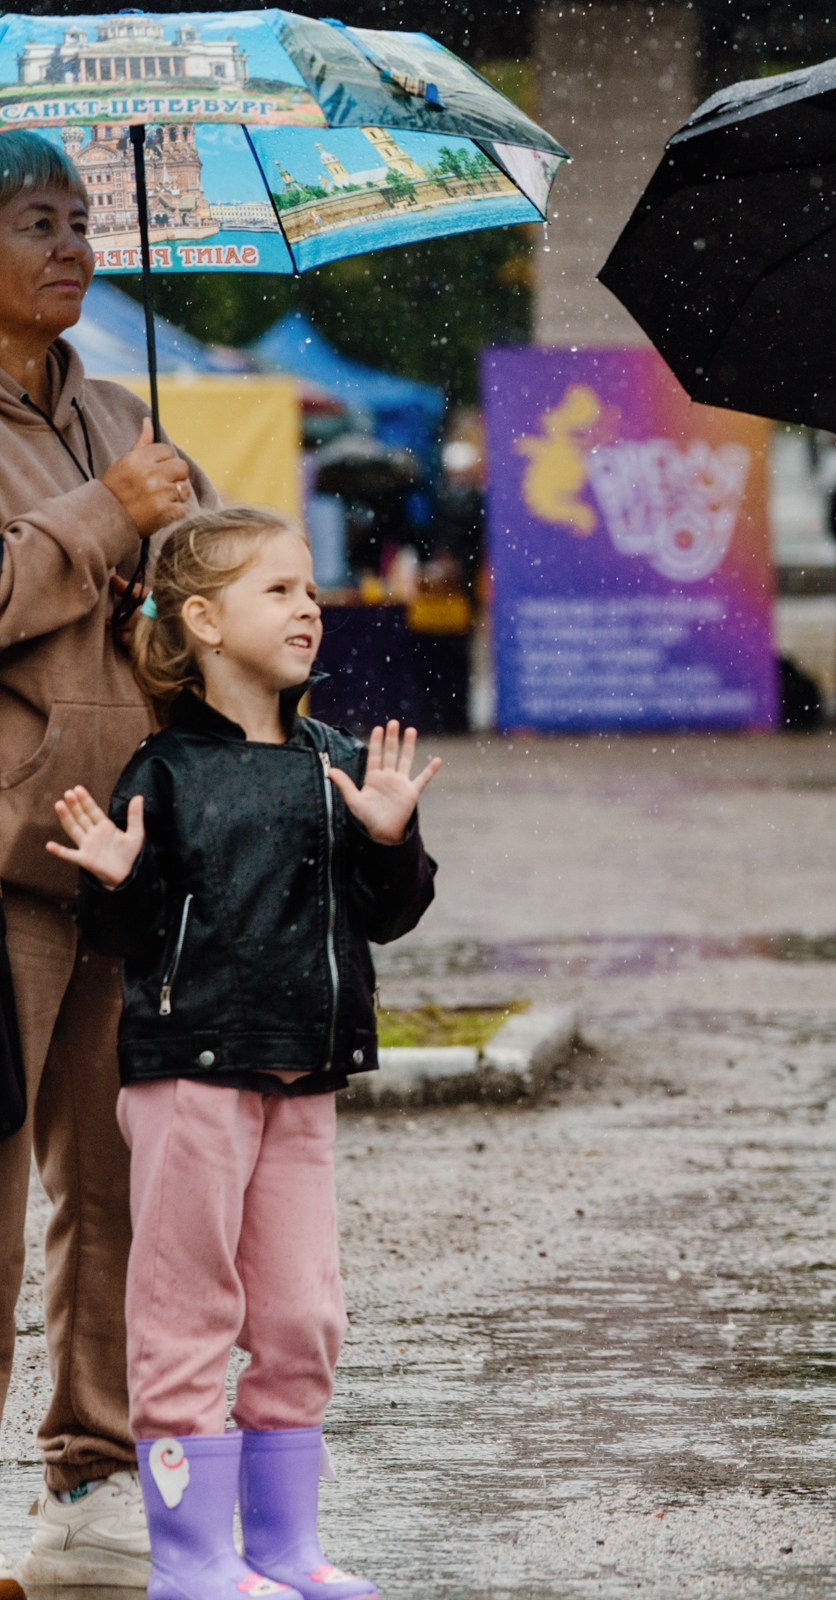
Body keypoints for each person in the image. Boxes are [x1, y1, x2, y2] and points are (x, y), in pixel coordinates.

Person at [53, 507, 436, 1600]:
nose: (307, 606)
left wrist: (390, 839)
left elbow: (385, 914)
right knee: (185, 1310)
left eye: (310, 588)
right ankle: (191, 1558)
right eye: (279, 590)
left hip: (302, 1073)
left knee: (303, 1314)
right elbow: (123, 941)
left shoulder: (338, 761)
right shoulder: (162, 773)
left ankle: (279, 1545)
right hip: (191, 1075)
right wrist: (118, 880)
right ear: (204, 621)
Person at [0, 130, 213, 1590]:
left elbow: (150, 619)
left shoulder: (117, 411)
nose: (75, 246)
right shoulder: (87, 463)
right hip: (2, 857)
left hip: (120, 850)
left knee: (117, 1188)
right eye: (36, 222)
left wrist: (177, 557)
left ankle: (91, 1468)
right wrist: (103, 518)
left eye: (82, 220)